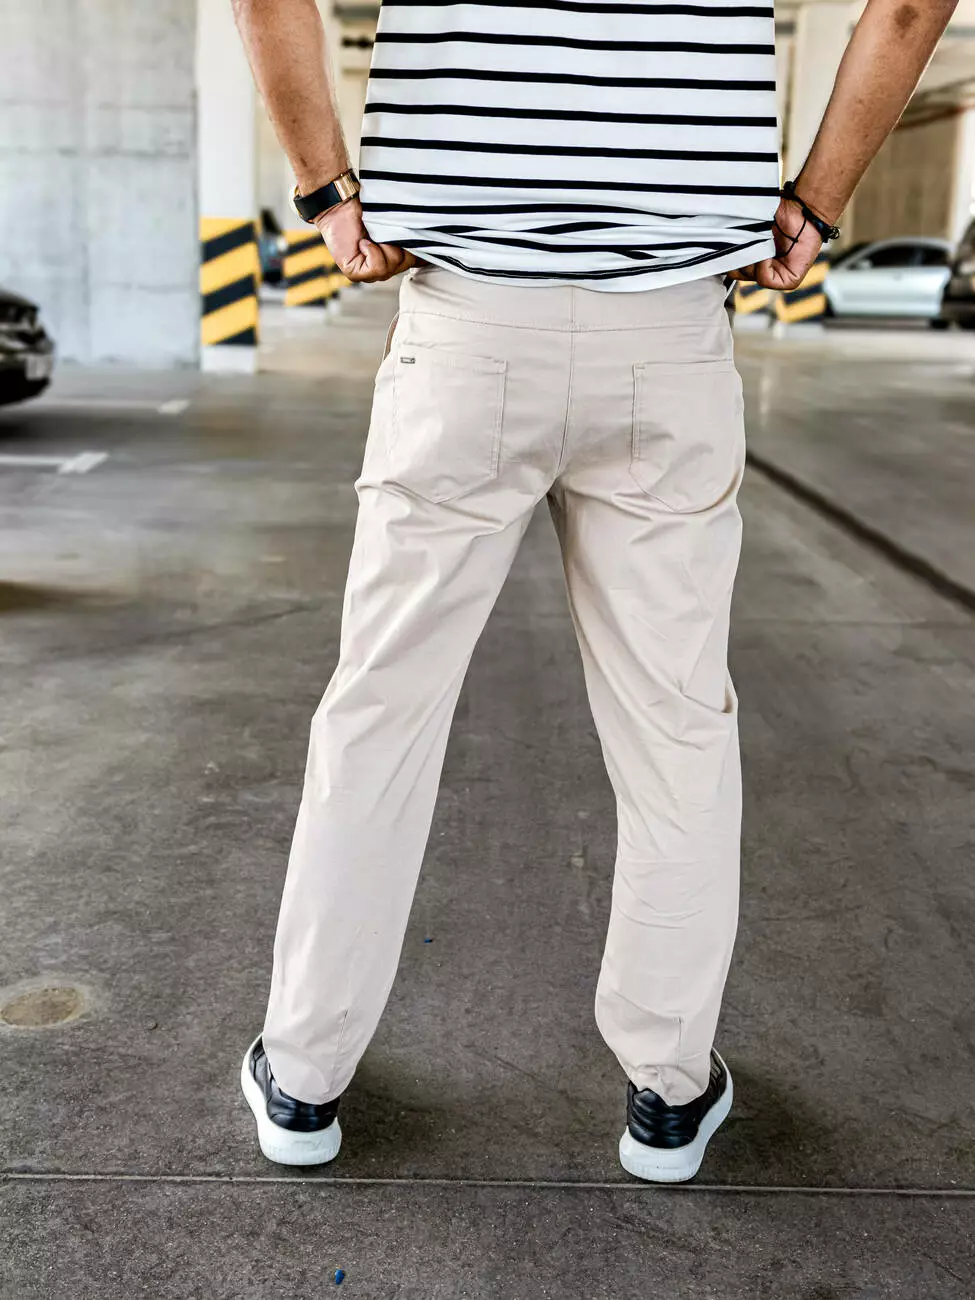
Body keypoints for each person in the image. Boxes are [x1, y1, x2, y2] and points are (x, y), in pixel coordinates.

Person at [231, 0, 955, 1181]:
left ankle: (305, 1075)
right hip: (669, 333)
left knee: (382, 709)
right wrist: (817, 201)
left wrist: (326, 189)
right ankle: (669, 1088)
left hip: (466, 327)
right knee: (675, 722)